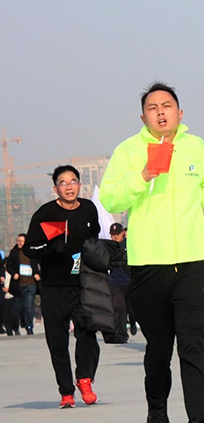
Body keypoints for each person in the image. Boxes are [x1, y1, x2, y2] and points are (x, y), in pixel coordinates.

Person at [99, 82, 204, 423]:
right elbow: (110, 197)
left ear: (179, 113)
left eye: (167, 105)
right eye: (153, 107)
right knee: (158, 348)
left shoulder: (197, 148)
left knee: (192, 342)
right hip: (148, 263)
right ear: (143, 117)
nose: (160, 112)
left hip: (191, 260)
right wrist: (143, 175)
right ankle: (156, 404)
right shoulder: (128, 151)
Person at [24, 165, 101, 409]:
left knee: (87, 333)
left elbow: (95, 236)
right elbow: (30, 247)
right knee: (57, 341)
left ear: (80, 184)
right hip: (53, 286)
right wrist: (51, 249)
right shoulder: (45, 213)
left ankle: (85, 380)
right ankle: (66, 391)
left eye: (73, 181)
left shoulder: (88, 209)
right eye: (63, 183)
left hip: (82, 284)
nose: (69, 187)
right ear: (56, 188)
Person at [6, 233, 41, 335]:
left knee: (29, 306)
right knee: (20, 307)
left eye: (21, 241)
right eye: (17, 241)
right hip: (18, 284)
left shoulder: (32, 252)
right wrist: (14, 274)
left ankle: (29, 327)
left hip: (31, 283)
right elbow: (9, 266)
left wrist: (38, 274)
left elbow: (42, 264)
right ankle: (23, 321)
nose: (19, 243)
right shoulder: (14, 252)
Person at [108, 223, 133, 341]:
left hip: (130, 280)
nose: (115, 237)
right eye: (112, 235)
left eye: (117, 234)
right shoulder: (109, 246)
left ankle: (133, 321)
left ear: (123, 233)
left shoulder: (129, 244)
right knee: (119, 307)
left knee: (131, 307)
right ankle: (122, 334)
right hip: (116, 281)